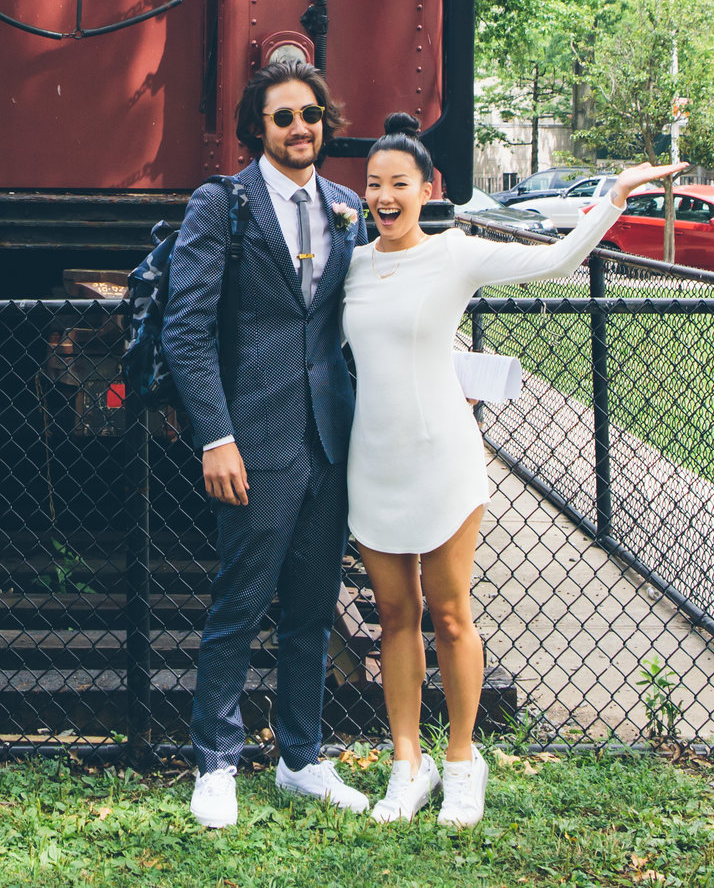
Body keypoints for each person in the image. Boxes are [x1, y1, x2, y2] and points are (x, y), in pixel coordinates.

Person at [347, 115, 684, 826]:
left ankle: (464, 761)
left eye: (398, 184)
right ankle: (407, 763)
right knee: (395, 616)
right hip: (373, 460)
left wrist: (614, 195)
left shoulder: (457, 253)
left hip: (444, 456)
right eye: (374, 184)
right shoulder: (352, 266)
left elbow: (560, 260)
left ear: (426, 188)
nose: (384, 196)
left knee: (449, 612)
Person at [160, 60, 373, 828]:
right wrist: (216, 435)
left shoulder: (349, 207)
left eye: (310, 114)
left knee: (313, 609)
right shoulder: (223, 205)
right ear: (259, 127)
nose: (299, 128)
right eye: (282, 117)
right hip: (253, 439)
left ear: (325, 121)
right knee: (240, 605)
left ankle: (301, 758)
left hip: (331, 440)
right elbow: (185, 331)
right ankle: (216, 762)